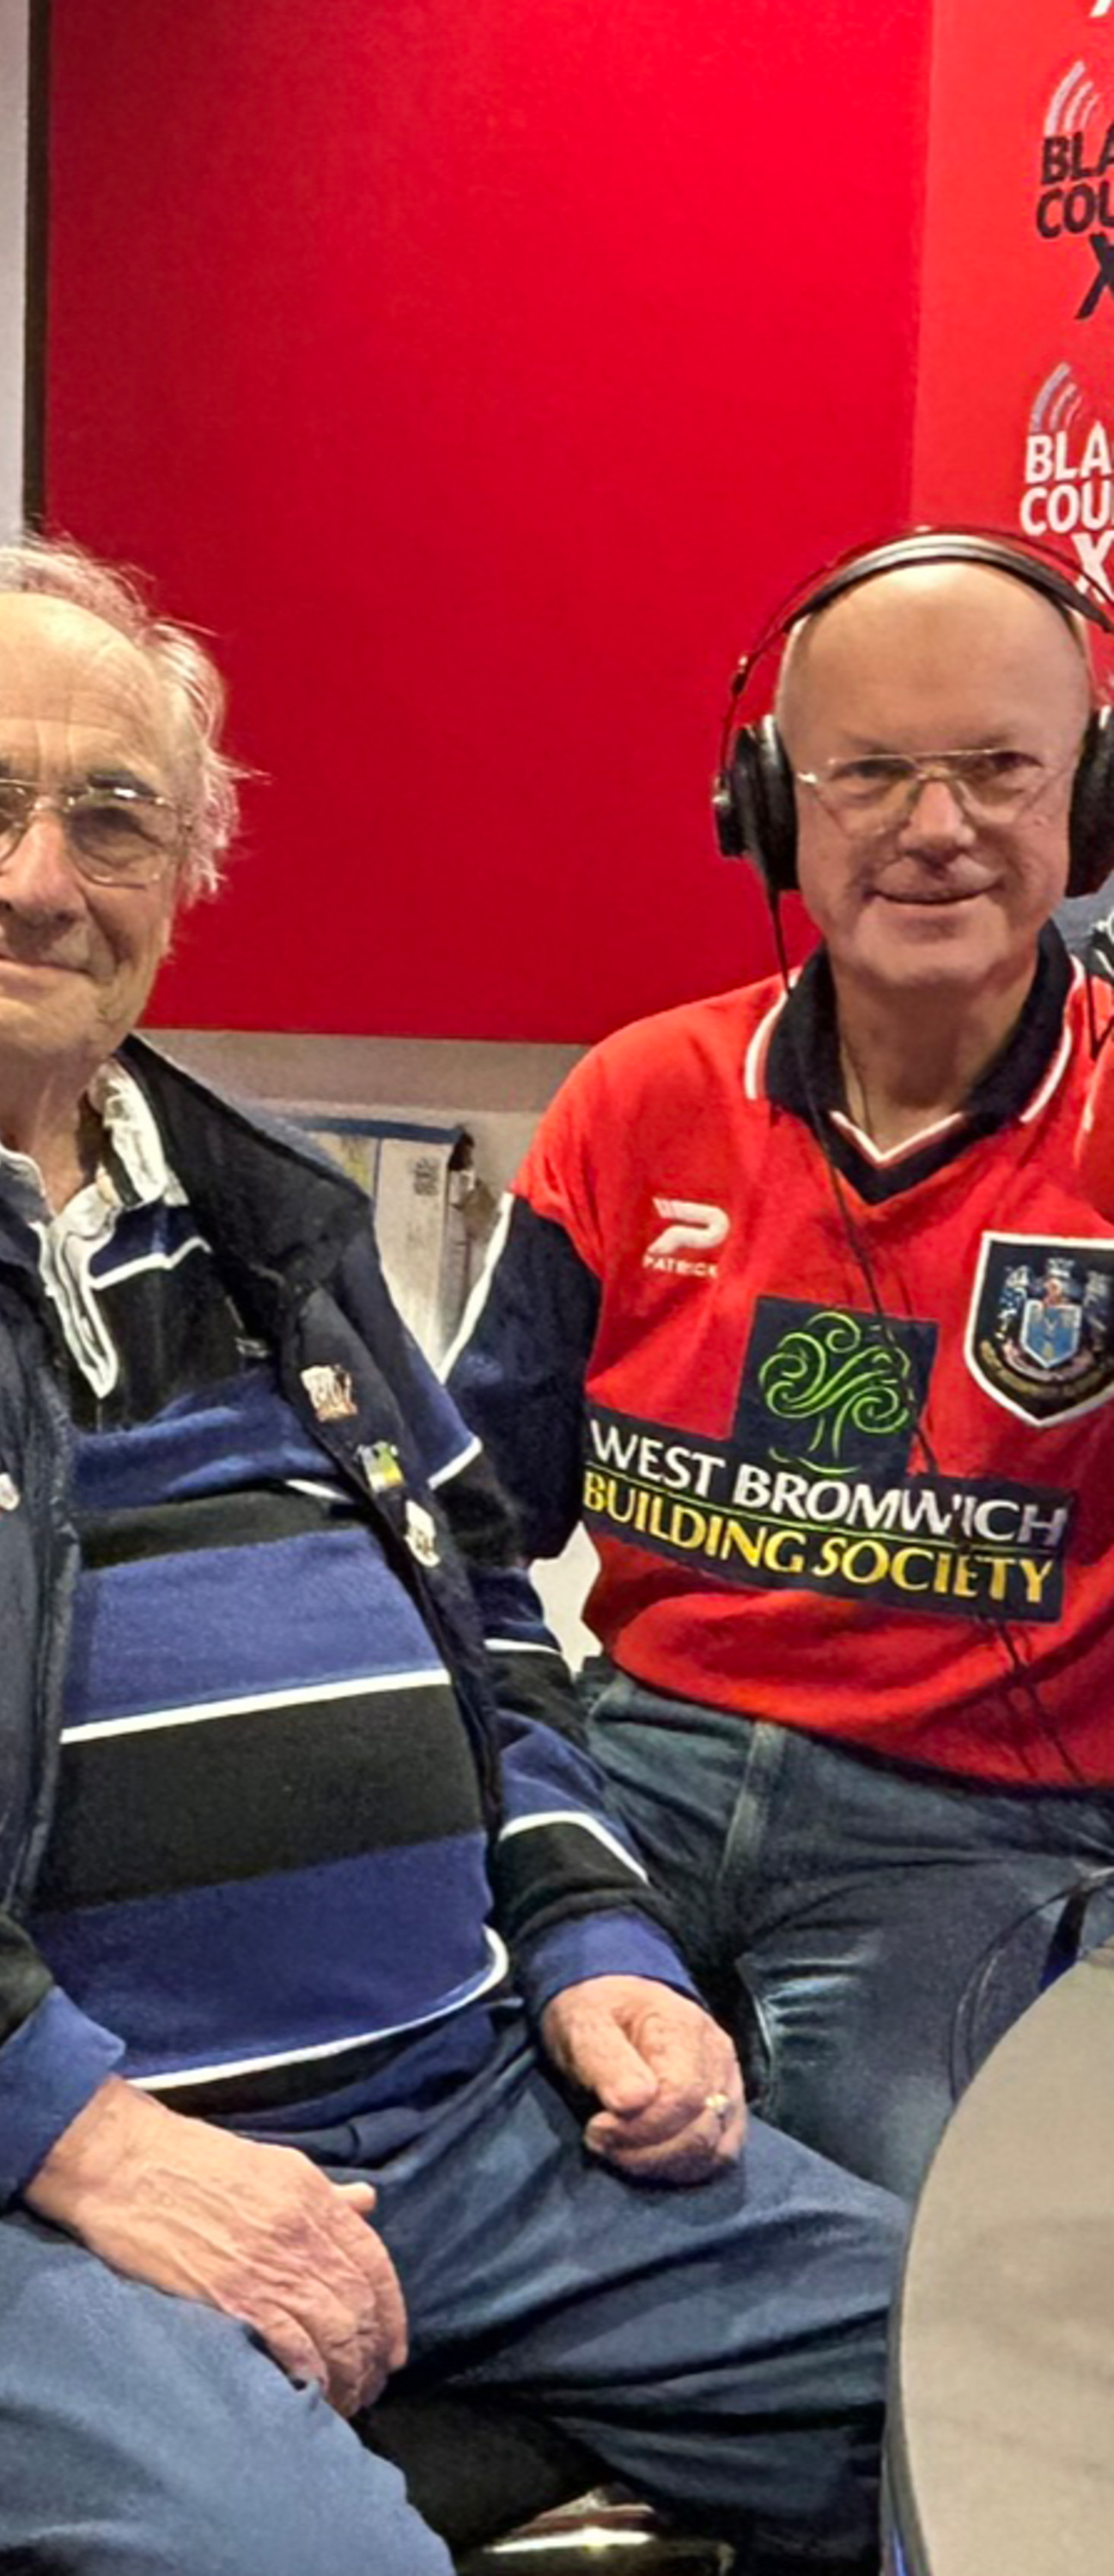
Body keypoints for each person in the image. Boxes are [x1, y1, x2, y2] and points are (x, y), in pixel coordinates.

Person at [0, 535, 901, 2576]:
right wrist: (80, 2131)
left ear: (187, 875)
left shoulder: (260, 1203)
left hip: (472, 2113)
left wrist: (593, 1939)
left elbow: (482, 1617)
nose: (37, 875)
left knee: (1009, 2392)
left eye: (112, 816)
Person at [447, 530, 1114, 2200]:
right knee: (437, 2150)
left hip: (981, 1828)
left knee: (920, 2275)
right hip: (638, 1760)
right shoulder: (638, 1098)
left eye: (999, 769)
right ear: (769, 803)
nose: (936, 826)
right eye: (870, 772)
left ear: (1092, 799)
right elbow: (464, 1527)